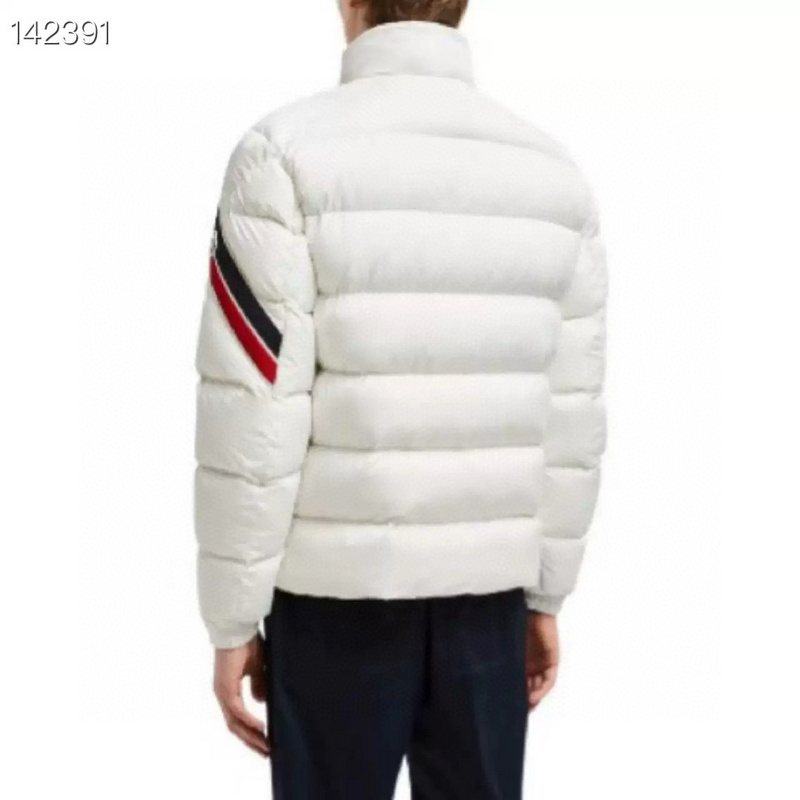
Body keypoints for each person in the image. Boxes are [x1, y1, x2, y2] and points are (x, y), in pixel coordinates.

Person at [193, 1, 608, 796]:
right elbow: (572, 411)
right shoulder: (555, 175)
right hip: (489, 601)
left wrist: (232, 617)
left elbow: (252, 411)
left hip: (335, 602)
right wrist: (546, 595)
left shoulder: (281, 157)